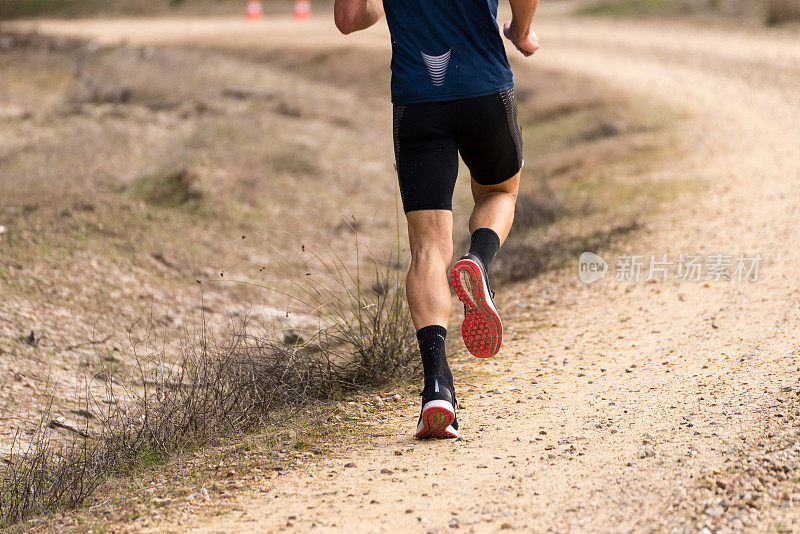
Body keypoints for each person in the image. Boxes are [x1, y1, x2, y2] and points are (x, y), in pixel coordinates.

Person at [334, 0, 540, 439]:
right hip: (485, 86)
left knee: (428, 248)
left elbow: (350, 18)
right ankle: (479, 262)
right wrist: (521, 32)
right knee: (500, 192)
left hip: (419, 97)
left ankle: (437, 389)